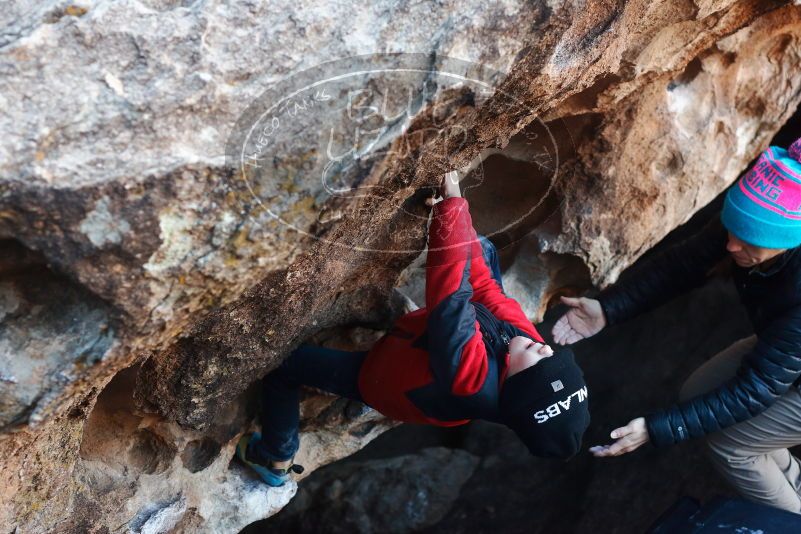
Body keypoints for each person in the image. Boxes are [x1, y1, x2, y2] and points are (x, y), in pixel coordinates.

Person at [237, 171, 590, 486]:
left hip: (382, 379)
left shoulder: (470, 381)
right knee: (478, 249)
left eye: (542, 364)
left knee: (286, 367)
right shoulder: (528, 349)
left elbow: (451, 298)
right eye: (554, 354)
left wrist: (453, 205)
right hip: (427, 353)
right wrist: (454, 221)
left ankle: (275, 456)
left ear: (516, 390)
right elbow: (486, 291)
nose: (545, 348)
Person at [551, 137, 801, 513]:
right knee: (699, 390)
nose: (730, 246)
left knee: (733, 445)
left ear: (787, 241)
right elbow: (683, 265)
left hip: (785, 362)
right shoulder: (752, 223)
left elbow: (757, 388)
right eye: (730, 230)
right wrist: (608, 309)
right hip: (784, 353)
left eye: (746, 240)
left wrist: (656, 428)